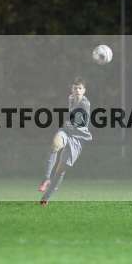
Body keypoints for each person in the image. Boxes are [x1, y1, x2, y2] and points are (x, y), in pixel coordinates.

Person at [38, 77, 92, 206]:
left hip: (79, 137)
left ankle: (46, 197)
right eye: (75, 88)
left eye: (80, 88)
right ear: (71, 89)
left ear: (84, 90)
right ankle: (46, 179)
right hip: (67, 131)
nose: (77, 90)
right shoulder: (71, 98)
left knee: (60, 170)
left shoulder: (85, 104)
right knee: (55, 145)